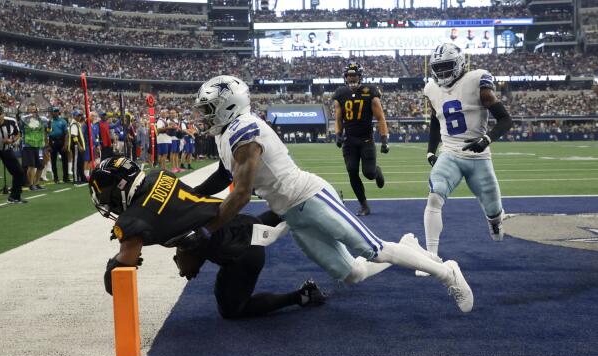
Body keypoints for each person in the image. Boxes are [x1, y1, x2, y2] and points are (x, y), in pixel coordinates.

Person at [195, 75, 474, 313]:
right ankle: (409, 247)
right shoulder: (226, 133)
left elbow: (241, 194)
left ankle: (447, 272)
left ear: (229, 106)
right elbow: (224, 175)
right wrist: (187, 193)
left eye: (209, 108)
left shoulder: (244, 129)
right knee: (354, 274)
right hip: (290, 213)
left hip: (309, 197)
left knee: (375, 251)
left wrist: (206, 231)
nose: (205, 115)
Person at [89, 157, 326, 319]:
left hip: (240, 253)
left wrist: (114, 265)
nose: (104, 199)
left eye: (104, 192)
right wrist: (188, 250)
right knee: (248, 228)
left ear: (120, 186)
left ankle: (302, 295)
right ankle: (308, 205)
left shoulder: (132, 222)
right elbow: (186, 214)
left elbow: (117, 283)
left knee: (232, 311)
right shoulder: (158, 175)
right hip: (237, 221)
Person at [419, 43, 512, 276]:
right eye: (437, 68)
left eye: (446, 67)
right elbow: (435, 120)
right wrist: (431, 150)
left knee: (494, 212)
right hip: (450, 153)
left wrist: (486, 140)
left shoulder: (477, 80)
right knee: (434, 197)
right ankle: (431, 258)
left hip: (479, 156)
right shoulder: (431, 88)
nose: (441, 73)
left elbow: (505, 120)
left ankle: (495, 220)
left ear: (459, 63)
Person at [333, 62, 389, 216]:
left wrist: (384, 139)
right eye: (349, 75)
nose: (352, 78)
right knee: (352, 171)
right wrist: (338, 134)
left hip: (366, 139)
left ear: (360, 76)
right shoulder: (340, 93)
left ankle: (377, 172)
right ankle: (364, 205)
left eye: (354, 75)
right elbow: (338, 118)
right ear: (345, 77)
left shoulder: (370, 91)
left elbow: (380, 117)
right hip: (349, 140)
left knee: (368, 173)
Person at [0, 107, 26, 203]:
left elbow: (18, 133)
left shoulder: (11, 121)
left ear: (3, 114)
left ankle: (15, 196)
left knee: (19, 172)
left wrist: (12, 140)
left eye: (0, 114)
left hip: (6, 150)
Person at [19, 103, 48, 191]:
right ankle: (31, 184)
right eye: (30, 109)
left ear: (36, 110)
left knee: (41, 165)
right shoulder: (24, 119)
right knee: (31, 165)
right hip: (28, 145)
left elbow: (47, 127)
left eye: (34, 109)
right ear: (27, 110)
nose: (32, 111)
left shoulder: (41, 119)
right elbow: (21, 126)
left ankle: (37, 183)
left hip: (39, 145)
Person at [48, 106, 70, 183]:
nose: (56, 113)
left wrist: (65, 144)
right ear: (52, 113)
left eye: (57, 111)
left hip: (61, 141)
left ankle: (65, 178)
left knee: (65, 161)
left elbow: (66, 134)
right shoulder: (49, 122)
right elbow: (47, 134)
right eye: (54, 111)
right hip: (52, 141)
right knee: (53, 161)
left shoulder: (63, 121)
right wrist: (49, 145)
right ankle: (56, 178)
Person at [68, 110, 86, 184]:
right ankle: (75, 179)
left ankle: (82, 177)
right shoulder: (74, 124)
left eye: (80, 115)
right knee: (76, 162)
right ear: (74, 116)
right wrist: (79, 146)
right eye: (78, 115)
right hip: (76, 146)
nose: (80, 117)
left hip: (78, 146)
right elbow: (74, 136)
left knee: (80, 162)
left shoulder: (76, 123)